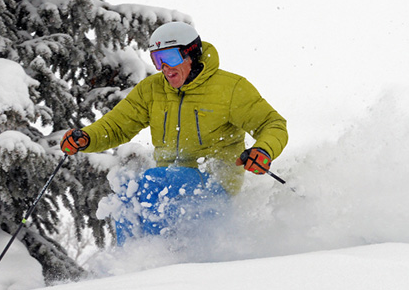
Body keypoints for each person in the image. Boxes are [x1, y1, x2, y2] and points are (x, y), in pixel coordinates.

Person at [61, 21, 288, 243]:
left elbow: (272, 124)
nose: (165, 68)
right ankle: (134, 261)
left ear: (192, 54)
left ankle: (168, 257)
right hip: (166, 179)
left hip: (215, 183)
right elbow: (117, 125)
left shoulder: (229, 88)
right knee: (128, 194)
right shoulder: (152, 90)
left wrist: (263, 150)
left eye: (170, 57)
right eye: (157, 60)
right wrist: (87, 138)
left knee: (163, 182)